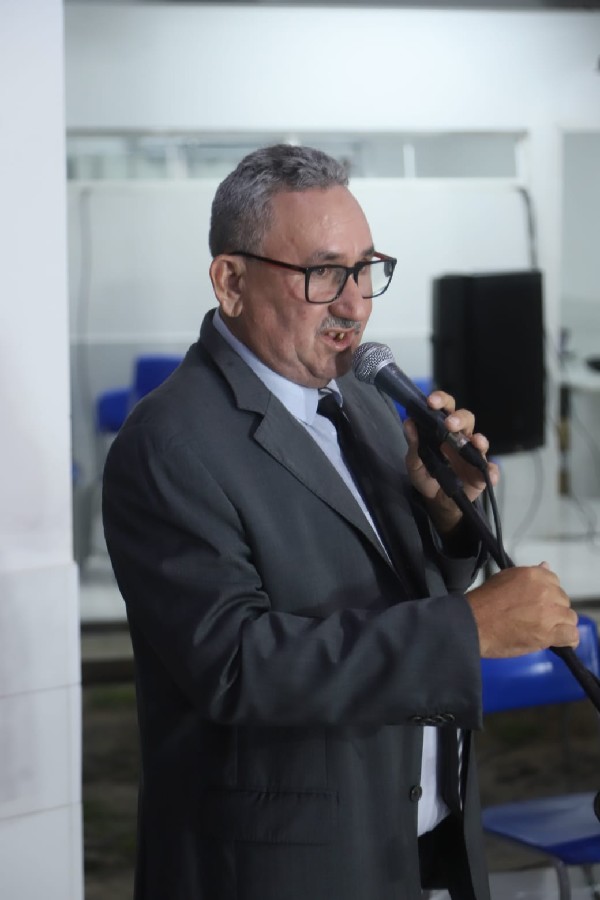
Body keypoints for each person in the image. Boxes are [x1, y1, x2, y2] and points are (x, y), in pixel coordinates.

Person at [102, 144, 579, 900]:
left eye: (365, 269)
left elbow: (403, 588)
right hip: (284, 868)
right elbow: (237, 666)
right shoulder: (167, 443)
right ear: (231, 281)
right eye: (324, 273)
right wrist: (467, 629)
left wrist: (446, 512)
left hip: (416, 835)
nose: (356, 304)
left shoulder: (358, 395)